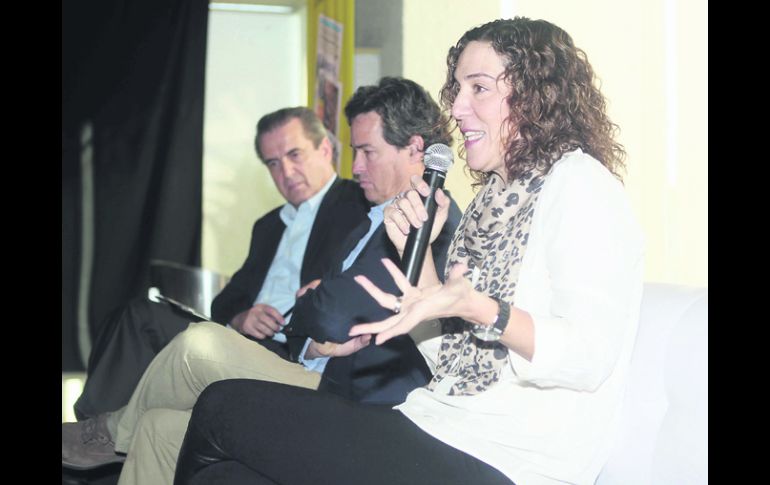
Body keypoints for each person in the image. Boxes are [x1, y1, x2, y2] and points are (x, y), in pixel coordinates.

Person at [173, 17, 645, 485]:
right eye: (457, 89)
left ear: (538, 94)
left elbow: (587, 356)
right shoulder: (493, 200)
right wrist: (420, 274)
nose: (457, 108)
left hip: (508, 460)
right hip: (441, 423)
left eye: (478, 88)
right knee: (228, 476)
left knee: (221, 406)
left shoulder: (581, 186)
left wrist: (481, 308)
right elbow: (454, 363)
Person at [64, 77, 462, 485]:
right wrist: (311, 319)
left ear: (415, 149)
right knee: (156, 428)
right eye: (355, 152)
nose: (356, 166)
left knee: (197, 345)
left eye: (366, 152)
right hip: (309, 365)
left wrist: (312, 312)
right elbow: (316, 312)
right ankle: (107, 434)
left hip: (345, 394)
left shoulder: (425, 223)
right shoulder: (371, 218)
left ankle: (106, 435)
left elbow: (329, 311)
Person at [74, 107, 370, 421]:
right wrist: (242, 318)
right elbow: (227, 300)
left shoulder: (357, 207)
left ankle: (98, 441)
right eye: (273, 163)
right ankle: (92, 428)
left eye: (294, 154)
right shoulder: (268, 226)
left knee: (194, 345)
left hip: (291, 350)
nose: (285, 171)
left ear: (325, 149)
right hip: (240, 340)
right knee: (139, 317)